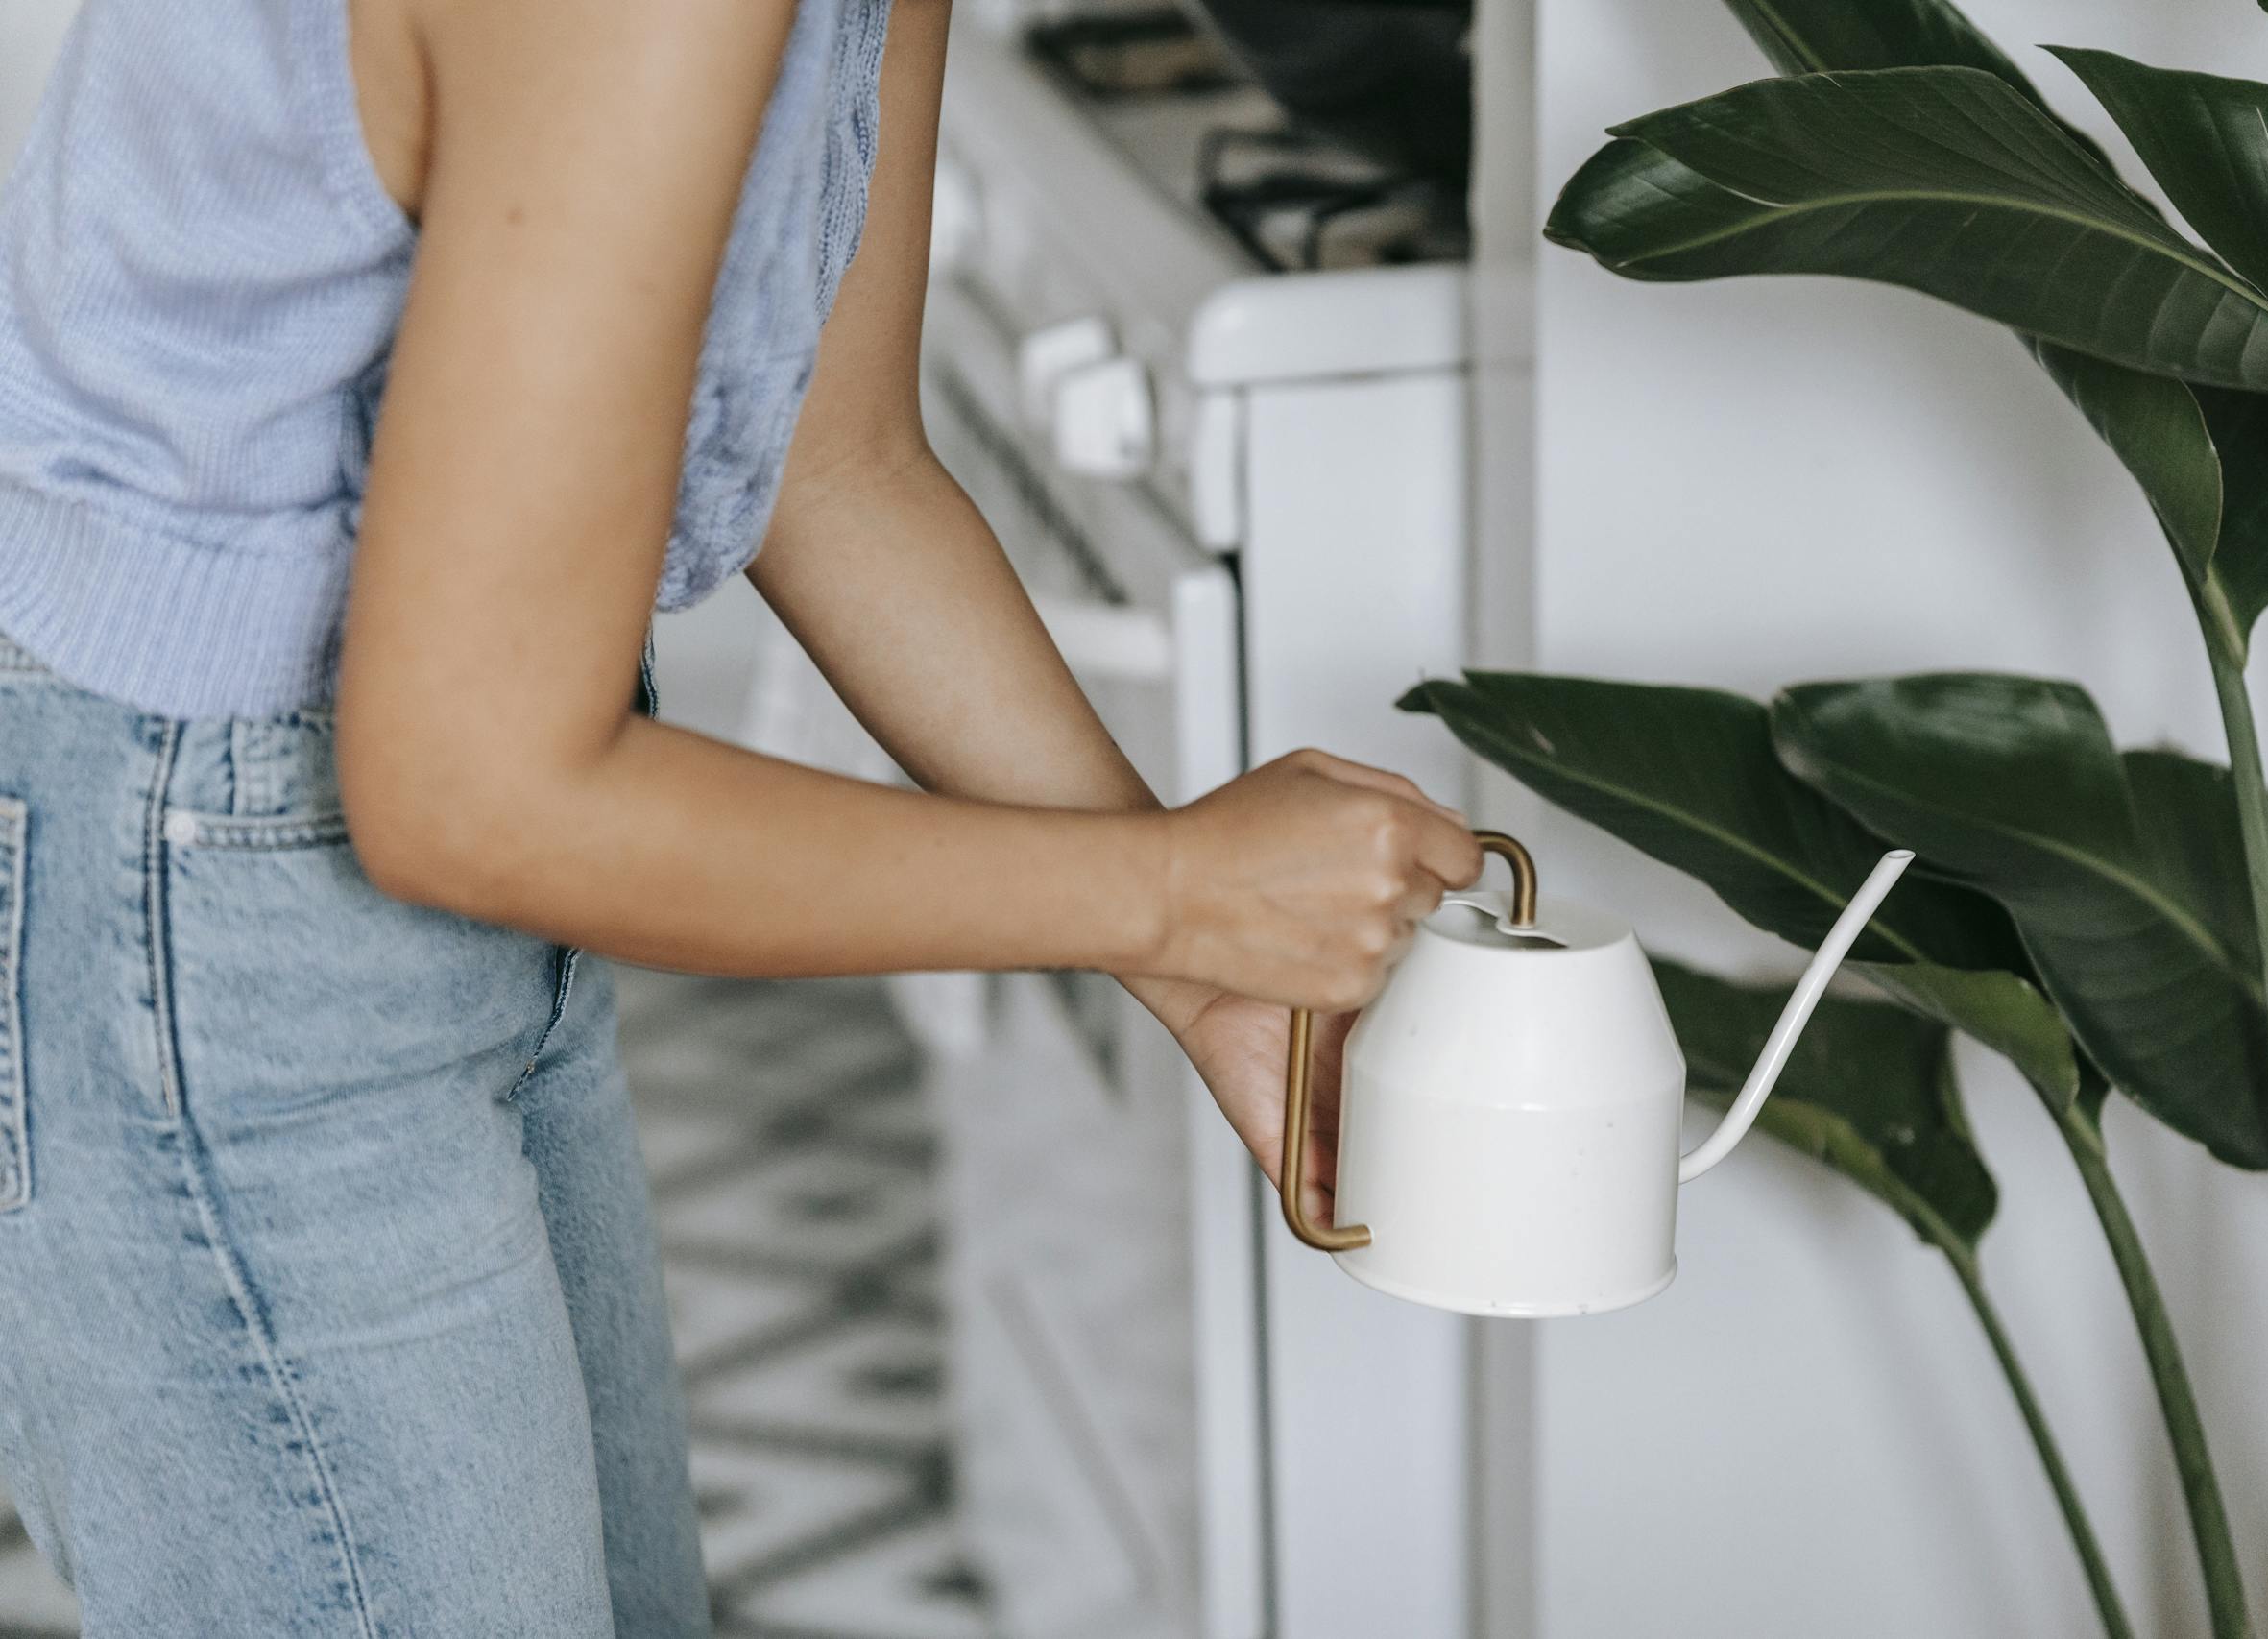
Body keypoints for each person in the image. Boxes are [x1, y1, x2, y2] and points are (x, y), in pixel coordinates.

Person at [0, 1, 1484, 1631]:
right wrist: (1170, 894)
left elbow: (832, 466)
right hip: (193, 893)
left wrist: (1201, 962)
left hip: (428, 831)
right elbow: (463, 794)